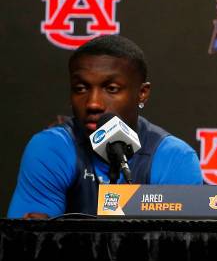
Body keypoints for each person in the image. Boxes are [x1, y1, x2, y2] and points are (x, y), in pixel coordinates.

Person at [7, 35, 203, 218]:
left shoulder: (174, 158)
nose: (93, 103)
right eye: (81, 89)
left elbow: (181, 248)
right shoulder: (52, 148)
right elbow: (28, 244)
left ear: (142, 93)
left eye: (111, 89)